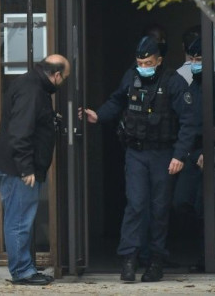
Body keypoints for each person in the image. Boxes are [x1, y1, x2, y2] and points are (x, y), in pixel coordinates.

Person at [80, 36, 198, 283]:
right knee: (135, 204)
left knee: (159, 208)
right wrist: (98, 116)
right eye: (140, 62)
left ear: (159, 60)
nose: (143, 66)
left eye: (148, 62)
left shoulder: (173, 82)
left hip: (164, 154)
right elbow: (116, 100)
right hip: (136, 153)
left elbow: (188, 122)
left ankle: (155, 261)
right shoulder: (130, 77)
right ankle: (129, 260)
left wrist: (179, 155)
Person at [0, 54, 70, 286]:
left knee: (20, 219)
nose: (62, 82)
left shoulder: (28, 83)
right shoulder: (33, 91)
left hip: (15, 167)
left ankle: (25, 267)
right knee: (19, 221)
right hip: (19, 170)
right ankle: (22, 272)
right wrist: (27, 168)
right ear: (56, 75)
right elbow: (20, 132)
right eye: (64, 78)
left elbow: (28, 122)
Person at [173, 26, 215, 273]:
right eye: (190, 58)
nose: (194, 63)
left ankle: (208, 255)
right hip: (188, 149)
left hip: (211, 149)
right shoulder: (180, 78)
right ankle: (203, 250)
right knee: (182, 203)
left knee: (209, 205)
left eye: (198, 59)